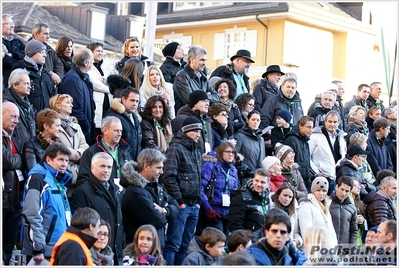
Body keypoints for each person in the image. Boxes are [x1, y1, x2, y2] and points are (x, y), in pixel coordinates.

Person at [160, 116, 203, 265]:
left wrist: (198, 202)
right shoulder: (175, 148)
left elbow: (199, 178)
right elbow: (168, 177)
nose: (199, 134)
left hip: (193, 206)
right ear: (187, 131)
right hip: (181, 206)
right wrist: (180, 202)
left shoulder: (196, 150)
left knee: (185, 245)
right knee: (173, 244)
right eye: (196, 131)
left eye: (200, 131)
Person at [70, 152, 125, 265]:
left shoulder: (116, 190)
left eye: (109, 167)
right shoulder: (82, 192)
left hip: (113, 252)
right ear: (92, 167)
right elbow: (78, 227)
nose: (106, 170)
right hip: (92, 255)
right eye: (102, 166)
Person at [21, 142, 72, 263]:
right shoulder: (38, 179)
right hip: (43, 252)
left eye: (66, 160)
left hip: (58, 247)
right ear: (48, 160)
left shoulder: (57, 180)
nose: (64, 164)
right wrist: (38, 248)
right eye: (60, 160)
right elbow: (31, 214)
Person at [120, 148, 179, 248]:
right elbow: (157, 220)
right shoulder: (134, 191)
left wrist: (164, 211)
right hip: (139, 251)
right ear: (146, 166)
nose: (162, 172)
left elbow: (175, 206)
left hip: (155, 249)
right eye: (158, 168)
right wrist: (166, 213)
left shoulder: (156, 187)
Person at [49, 94, 89, 197]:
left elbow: (85, 146)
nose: (71, 105)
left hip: (79, 173)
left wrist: (76, 155)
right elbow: (57, 147)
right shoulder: (53, 126)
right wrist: (73, 156)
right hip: (63, 174)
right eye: (67, 103)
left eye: (71, 103)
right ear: (58, 106)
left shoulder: (76, 125)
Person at [77, 116, 133, 187]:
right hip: (101, 195)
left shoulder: (125, 151)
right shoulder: (91, 152)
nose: (120, 134)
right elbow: (83, 180)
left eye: (120, 131)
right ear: (105, 130)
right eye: (116, 130)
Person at [200, 142, 239, 238]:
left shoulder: (233, 170)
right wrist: (207, 209)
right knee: (217, 240)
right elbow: (200, 188)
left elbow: (235, 191)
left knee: (225, 243)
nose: (231, 154)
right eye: (228, 152)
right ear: (220, 152)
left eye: (233, 152)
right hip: (212, 210)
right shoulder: (210, 165)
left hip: (227, 213)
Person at [59, 47, 96, 145]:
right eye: (92, 59)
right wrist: (86, 126)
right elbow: (74, 108)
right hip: (78, 131)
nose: (93, 62)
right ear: (86, 63)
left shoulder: (82, 78)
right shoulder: (73, 79)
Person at [2, 102, 24, 265]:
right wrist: (21, 159)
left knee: (9, 242)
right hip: (3, 199)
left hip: (14, 199)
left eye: (17, 117)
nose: (16, 120)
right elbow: (8, 161)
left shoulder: (14, 139)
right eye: (13, 116)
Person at [308, 110, 347, 195]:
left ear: (339, 123)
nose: (332, 124)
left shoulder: (341, 137)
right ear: (325, 122)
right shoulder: (315, 136)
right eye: (329, 121)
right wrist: (316, 172)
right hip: (321, 177)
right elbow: (307, 156)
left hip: (336, 177)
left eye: (334, 122)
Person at [12, 39, 55, 113]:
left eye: (45, 52)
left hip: (47, 121)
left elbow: (52, 98)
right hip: (30, 120)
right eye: (41, 52)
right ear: (32, 53)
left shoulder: (46, 74)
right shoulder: (20, 71)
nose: (45, 55)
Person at [173, 46, 220, 113]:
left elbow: (217, 97)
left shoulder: (203, 77)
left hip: (201, 116)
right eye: (201, 60)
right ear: (192, 60)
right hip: (187, 117)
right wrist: (206, 96)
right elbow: (190, 100)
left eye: (205, 60)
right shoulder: (181, 76)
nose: (204, 63)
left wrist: (203, 97)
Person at [228, 168, 271, 242]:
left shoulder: (266, 198)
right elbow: (235, 225)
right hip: (247, 242)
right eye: (256, 180)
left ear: (268, 184)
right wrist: (244, 242)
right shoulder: (242, 197)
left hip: (263, 240)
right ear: (253, 179)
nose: (258, 184)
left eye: (262, 182)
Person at [297, 176, 338, 248]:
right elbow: (306, 233)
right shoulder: (306, 206)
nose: (321, 193)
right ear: (313, 191)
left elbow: (331, 232)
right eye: (318, 190)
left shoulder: (326, 207)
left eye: (324, 191)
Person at [22, 109, 62, 178]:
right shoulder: (30, 145)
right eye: (57, 126)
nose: (60, 129)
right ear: (46, 126)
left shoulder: (60, 145)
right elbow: (33, 172)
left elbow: (69, 174)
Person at [105, 87, 142, 161]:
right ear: (123, 100)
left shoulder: (135, 118)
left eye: (137, 101)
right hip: (120, 163)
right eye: (132, 100)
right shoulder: (113, 117)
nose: (135, 104)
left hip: (134, 163)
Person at [172, 90, 213, 155]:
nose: (207, 104)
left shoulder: (207, 121)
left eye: (208, 101)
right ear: (194, 103)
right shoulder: (182, 119)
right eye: (203, 101)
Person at [2, 68, 36, 145]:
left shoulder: (27, 104)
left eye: (29, 83)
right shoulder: (6, 105)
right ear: (15, 85)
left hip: (28, 151)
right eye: (26, 84)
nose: (29, 87)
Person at [86, 42, 112, 137]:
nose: (101, 53)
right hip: (96, 108)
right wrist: (109, 89)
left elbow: (110, 80)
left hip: (107, 108)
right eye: (98, 51)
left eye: (102, 51)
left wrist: (105, 81)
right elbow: (95, 84)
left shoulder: (104, 67)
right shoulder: (88, 68)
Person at [283, 115, 314, 193]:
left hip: (306, 180)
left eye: (312, 127)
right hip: (295, 180)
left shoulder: (306, 140)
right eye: (308, 127)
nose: (311, 130)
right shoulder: (291, 139)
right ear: (300, 126)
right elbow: (288, 162)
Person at [235, 110, 265, 186]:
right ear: (247, 120)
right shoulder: (240, 136)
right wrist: (245, 170)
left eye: (258, 120)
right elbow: (235, 157)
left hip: (259, 179)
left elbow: (262, 159)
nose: (255, 122)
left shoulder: (261, 139)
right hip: (245, 178)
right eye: (253, 119)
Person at [270, 182, 302, 248]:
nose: (287, 199)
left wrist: (298, 241)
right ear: (278, 194)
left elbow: (295, 232)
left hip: (288, 247)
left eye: (290, 197)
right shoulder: (270, 206)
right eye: (285, 195)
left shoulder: (293, 211)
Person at [329, 176, 358, 246]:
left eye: (347, 191)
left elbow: (353, 231)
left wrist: (351, 251)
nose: (343, 193)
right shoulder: (327, 203)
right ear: (336, 187)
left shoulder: (352, 208)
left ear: (350, 192)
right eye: (342, 189)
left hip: (344, 250)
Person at [2, 14, 25, 88]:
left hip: (18, 84)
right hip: (4, 84)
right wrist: (19, 62)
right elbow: (6, 61)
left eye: (12, 23)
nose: (12, 26)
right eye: (8, 24)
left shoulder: (18, 41)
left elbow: (27, 55)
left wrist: (13, 55)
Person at [348, 177, 367, 248]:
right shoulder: (346, 201)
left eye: (359, 185)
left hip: (358, 238)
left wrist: (362, 220)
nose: (358, 187)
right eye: (355, 185)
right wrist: (356, 220)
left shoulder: (360, 203)